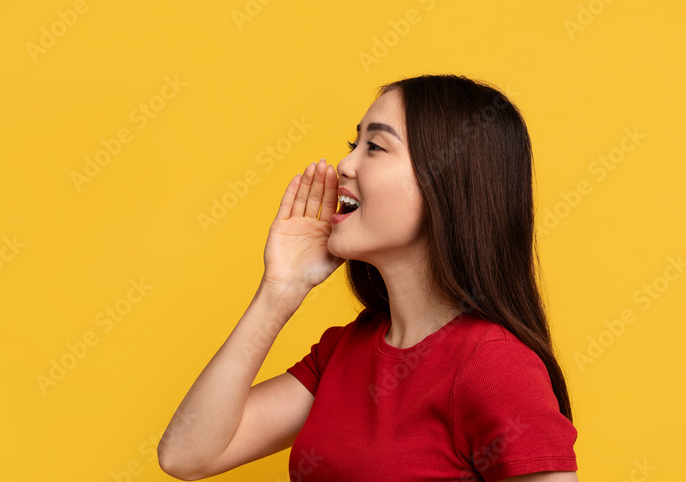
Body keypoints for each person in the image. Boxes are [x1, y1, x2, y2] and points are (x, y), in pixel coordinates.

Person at [156, 74, 578, 481]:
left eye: (374, 147)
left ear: (447, 181)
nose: (345, 163)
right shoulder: (345, 350)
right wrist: (280, 290)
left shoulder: (493, 365)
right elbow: (187, 455)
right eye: (353, 144)